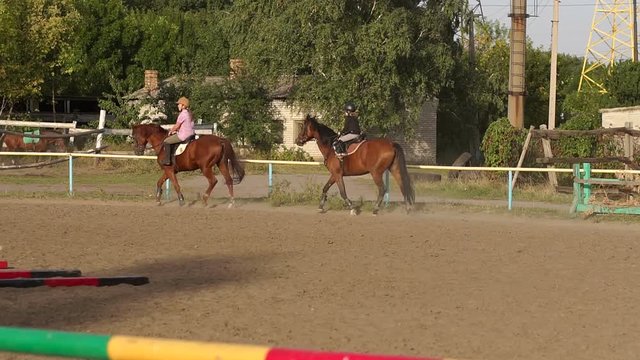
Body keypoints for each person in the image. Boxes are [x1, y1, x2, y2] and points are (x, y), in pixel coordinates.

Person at [162, 96, 195, 165]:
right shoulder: (189, 114)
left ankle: (167, 160)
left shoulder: (183, 114)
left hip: (183, 135)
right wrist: (176, 131)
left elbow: (177, 125)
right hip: (191, 134)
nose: (178, 106)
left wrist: (171, 131)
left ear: (183, 105)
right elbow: (186, 126)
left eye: (179, 104)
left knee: (166, 141)